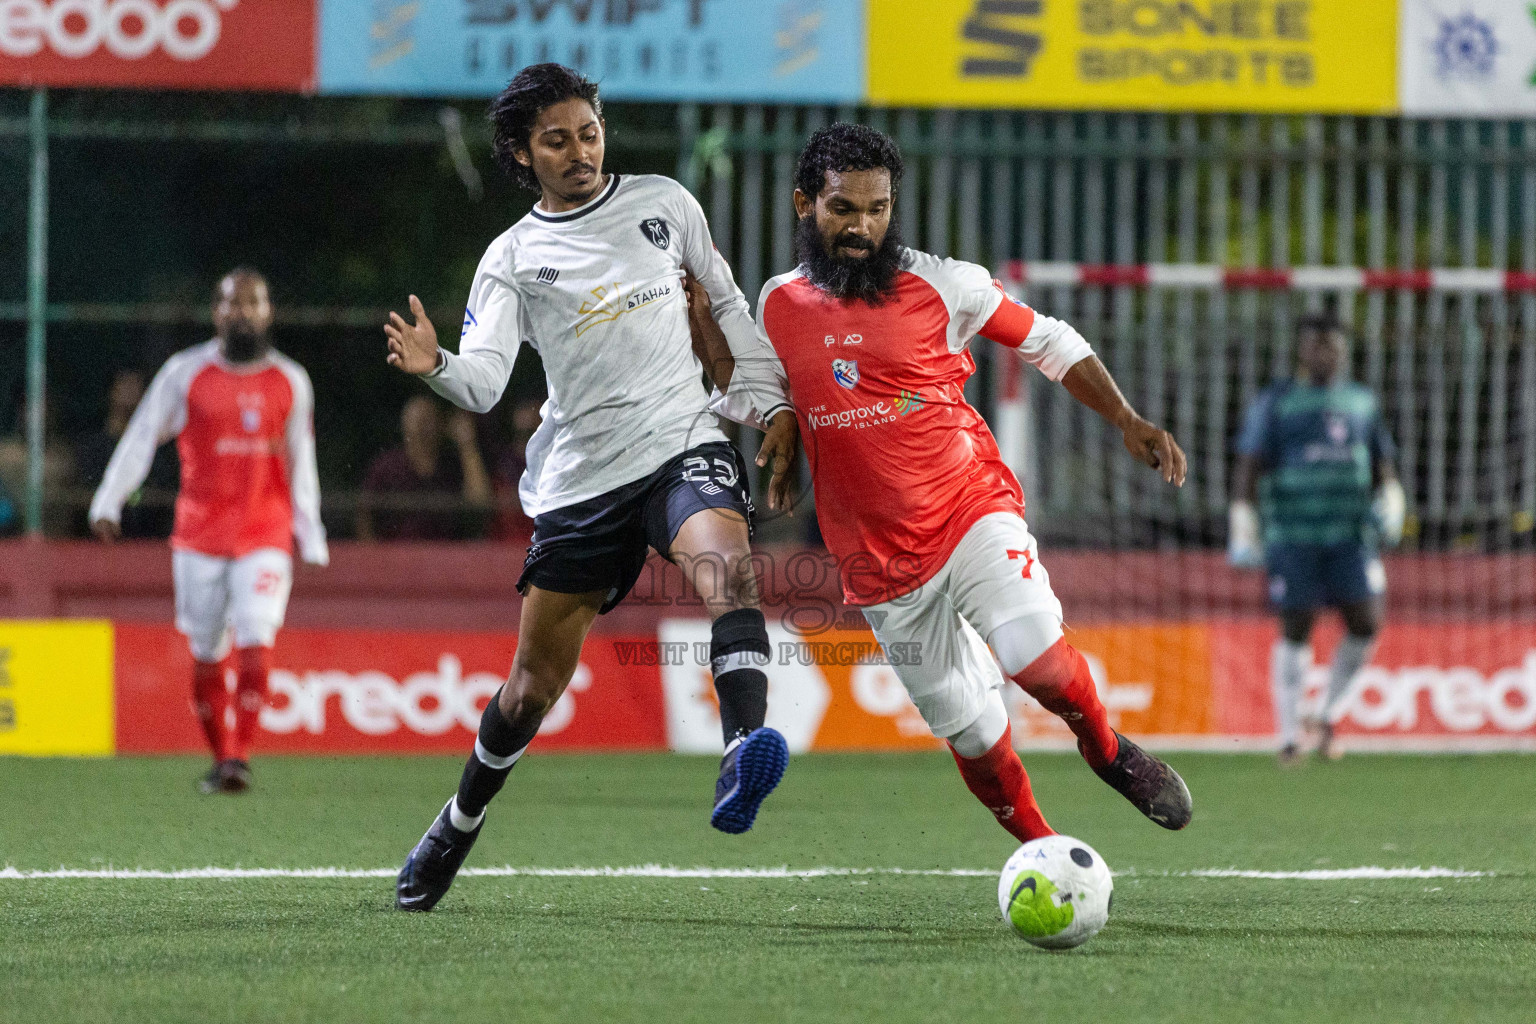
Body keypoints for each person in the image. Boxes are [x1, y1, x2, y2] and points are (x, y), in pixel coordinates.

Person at [697, 123, 1194, 845]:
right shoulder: (777, 304)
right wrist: (771, 413)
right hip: (876, 562)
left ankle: (1108, 751)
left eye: (877, 209)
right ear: (804, 204)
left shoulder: (943, 283)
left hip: (969, 512)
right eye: (843, 210)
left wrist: (1125, 417)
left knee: (1039, 664)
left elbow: (1050, 340)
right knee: (974, 733)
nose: (863, 227)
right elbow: (753, 388)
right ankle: (1045, 852)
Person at [384, 63, 799, 912]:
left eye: (590, 132)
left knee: (730, 571)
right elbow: (484, 384)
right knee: (530, 688)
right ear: (520, 154)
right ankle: (457, 823)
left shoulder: (665, 203)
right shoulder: (512, 258)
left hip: (681, 440)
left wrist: (774, 409)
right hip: (581, 480)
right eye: (557, 140)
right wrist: (436, 369)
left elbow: (725, 308)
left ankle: (741, 750)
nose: (580, 152)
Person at [89, 269, 328, 794]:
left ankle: (239, 755)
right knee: (205, 649)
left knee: (255, 634)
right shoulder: (184, 373)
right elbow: (142, 435)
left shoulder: (291, 380)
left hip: (265, 531)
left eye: (252, 302)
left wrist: (310, 532)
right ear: (215, 312)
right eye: (231, 302)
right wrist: (108, 501)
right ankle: (221, 758)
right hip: (199, 535)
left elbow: (300, 459)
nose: (241, 311)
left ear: (269, 311)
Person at [1229, 311, 1402, 764]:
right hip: (1294, 534)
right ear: (1301, 351)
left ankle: (1326, 714)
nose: (1324, 352)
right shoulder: (1277, 402)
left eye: (1332, 345)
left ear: (1344, 351)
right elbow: (1250, 462)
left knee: (1366, 622)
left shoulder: (1361, 402)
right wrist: (1243, 518)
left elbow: (1381, 459)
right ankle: (1289, 737)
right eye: (1315, 344)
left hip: (1351, 533)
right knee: (1296, 625)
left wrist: (1393, 495)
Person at [356, 395, 493, 541]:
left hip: (446, 557)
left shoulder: (452, 465)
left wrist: (467, 446)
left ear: (441, 426)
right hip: (397, 556)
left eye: (427, 420)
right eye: (416, 421)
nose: (421, 428)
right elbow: (365, 515)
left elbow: (481, 505)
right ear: (404, 426)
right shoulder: (387, 467)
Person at [76, 368, 179, 538]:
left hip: (147, 534)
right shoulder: (93, 447)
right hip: (100, 534)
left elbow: (163, 486)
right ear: (112, 392)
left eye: (136, 387)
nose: (131, 393)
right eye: (125, 385)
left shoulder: (158, 448)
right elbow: (84, 489)